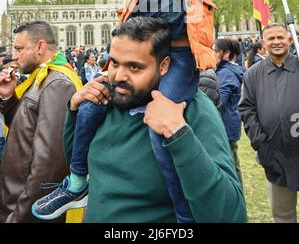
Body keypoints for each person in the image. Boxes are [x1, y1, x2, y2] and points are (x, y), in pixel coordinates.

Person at [32, 17, 246, 223]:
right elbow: (78, 162)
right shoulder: (105, 103)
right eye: (114, 63)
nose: (119, 76)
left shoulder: (191, 110)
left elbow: (230, 215)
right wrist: (75, 110)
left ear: (163, 66)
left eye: (134, 67)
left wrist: (179, 133)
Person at [0, 20, 82, 222]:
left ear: (40, 46)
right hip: (15, 198)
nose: (15, 55)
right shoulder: (41, 77)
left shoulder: (57, 84)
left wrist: (20, 216)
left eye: (19, 48)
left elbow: (49, 165)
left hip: (22, 207)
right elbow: (25, 129)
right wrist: (9, 98)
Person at [239, 22, 299, 223]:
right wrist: (261, 145)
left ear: (289, 40)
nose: (277, 42)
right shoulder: (253, 74)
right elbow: (246, 109)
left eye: (281, 37)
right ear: (263, 43)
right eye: (271, 38)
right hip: (275, 157)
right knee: (283, 215)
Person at [214, 38, 244, 187]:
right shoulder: (227, 70)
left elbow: (218, 101)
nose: (212, 54)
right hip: (229, 122)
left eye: (215, 51)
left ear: (225, 53)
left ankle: (237, 200)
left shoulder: (226, 73)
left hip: (225, 124)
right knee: (233, 163)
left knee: (230, 166)